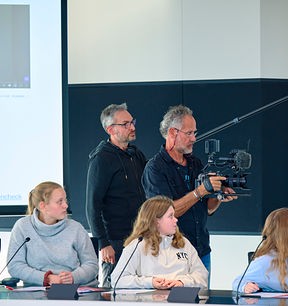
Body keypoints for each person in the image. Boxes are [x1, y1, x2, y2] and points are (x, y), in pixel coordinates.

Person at [141, 104, 237, 274]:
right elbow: (164, 213)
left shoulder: (195, 163)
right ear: (172, 132)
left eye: (195, 133)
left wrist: (218, 196)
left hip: (201, 251)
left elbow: (206, 209)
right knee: (178, 300)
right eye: (189, 133)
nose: (194, 138)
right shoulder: (154, 168)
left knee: (202, 300)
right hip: (172, 254)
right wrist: (199, 191)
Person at [85, 103, 147, 287]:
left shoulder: (135, 154)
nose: (133, 127)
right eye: (126, 124)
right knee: (115, 292)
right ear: (111, 129)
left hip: (141, 237)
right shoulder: (101, 159)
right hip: (115, 242)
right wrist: (103, 244)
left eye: (132, 122)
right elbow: (92, 206)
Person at [7, 181, 98, 286]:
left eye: (65, 200)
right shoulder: (22, 226)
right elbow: (15, 266)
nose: (66, 205)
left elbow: (92, 265)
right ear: (43, 206)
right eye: (60, 201)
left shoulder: (76, 228)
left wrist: (73, 277)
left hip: (76, 290)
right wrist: (47, 278)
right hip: (38, 293)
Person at [110, 195, 208, 289]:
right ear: (156, 221)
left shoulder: (184, 243)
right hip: (149, 301)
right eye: (171, 216)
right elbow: (117, 280)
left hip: (180, 299)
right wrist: (150, 282)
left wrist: (182, 282)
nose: (176, 220)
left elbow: (202, 276)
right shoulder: (137, 245)